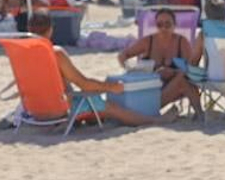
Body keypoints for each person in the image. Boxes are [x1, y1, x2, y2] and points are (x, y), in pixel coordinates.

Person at [27, 12, 165, 126]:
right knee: (111, 107)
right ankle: (154, 121)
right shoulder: (55, 54)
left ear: (29, 29)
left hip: (35, 110)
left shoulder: (22, 53)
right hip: (60, 111)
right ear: (51, 30)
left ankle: (94, 118)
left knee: (94, 107)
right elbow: (84, 84)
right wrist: (111, 87)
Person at [117, 8, 202, 115]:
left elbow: (191, 69)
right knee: (182, 81)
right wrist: (129, 67)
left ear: (174, 25)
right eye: (159, 24)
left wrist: (172, 72)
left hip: (173, 88)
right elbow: (123, 55)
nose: (163, 28)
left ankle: (200, 115)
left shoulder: (182, 42)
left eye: (167, 24)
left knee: (183, 80)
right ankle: (200, 115)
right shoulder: (149, 41)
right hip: (149, 90)